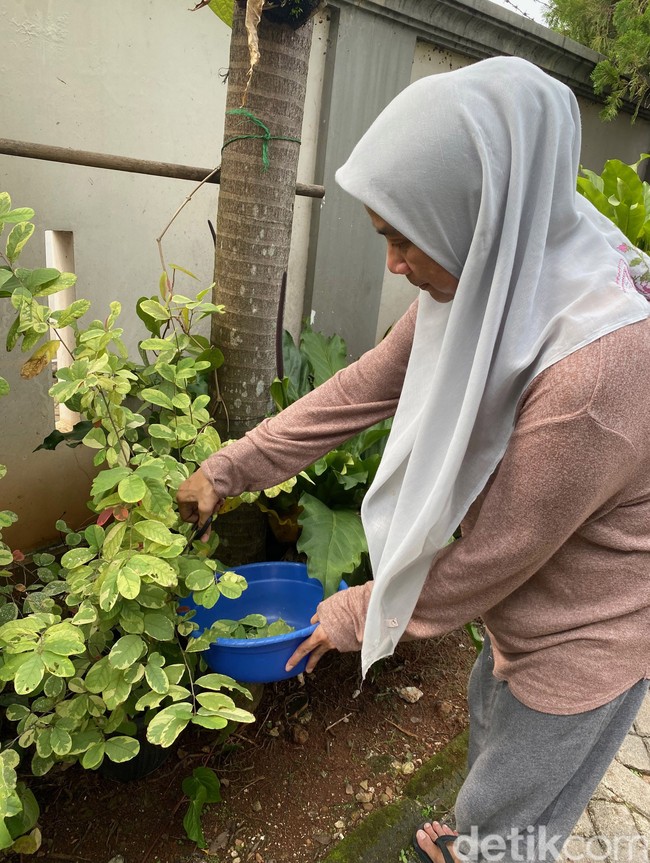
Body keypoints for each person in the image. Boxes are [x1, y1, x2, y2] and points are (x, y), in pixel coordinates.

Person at [177, 57, 650, 863]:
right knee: (490, 730)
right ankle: (478, 838)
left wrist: (359, 613)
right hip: (526, 603)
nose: (394, 264)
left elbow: (497, 553)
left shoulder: (598, 371)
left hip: (589, 634)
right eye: (385, 235)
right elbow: (360, 390)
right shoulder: (485, 275)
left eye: (404, 237)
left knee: (523, 805)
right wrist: (227, 468)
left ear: (479, 211)